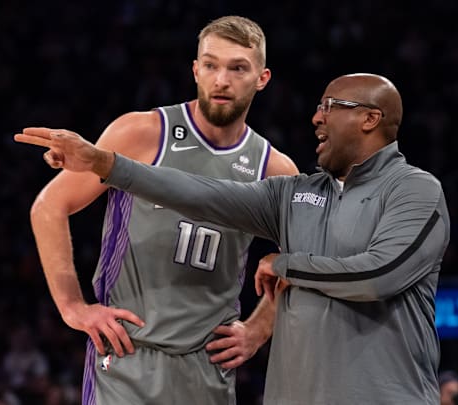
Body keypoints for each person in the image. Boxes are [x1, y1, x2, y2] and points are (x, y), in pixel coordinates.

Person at [15, 72, 450, 404]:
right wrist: (104, 162)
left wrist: (285, 266)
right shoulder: (296, 193)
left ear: (370, 118)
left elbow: (380, 273)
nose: (316, 117)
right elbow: (200, 193)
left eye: (330, 106)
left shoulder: (414, 189)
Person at [21, 16, 298, 405]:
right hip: (127, 357)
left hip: (208, 367)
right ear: (196, 71)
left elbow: (307, 257)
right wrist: (73, 308)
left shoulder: (274, 168)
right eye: (211, 65)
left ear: (262, 78)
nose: (222, 79)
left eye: (238, 68)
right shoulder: (143, 132)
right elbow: (49, 206)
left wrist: (259, 328)